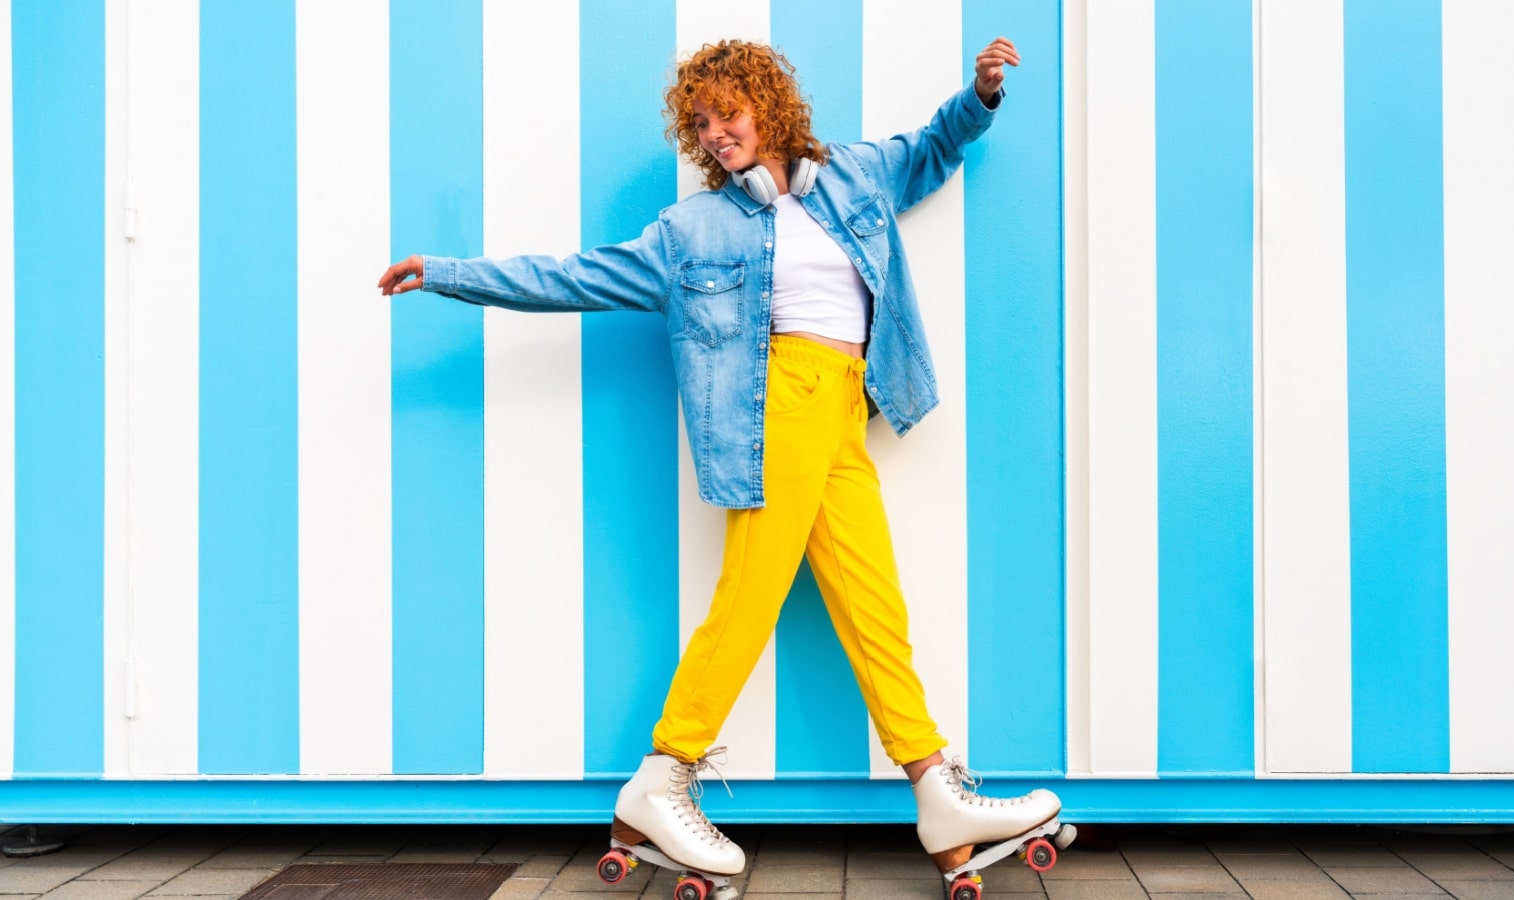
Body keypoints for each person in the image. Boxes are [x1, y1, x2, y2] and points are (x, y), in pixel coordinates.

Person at [379, 35, 1065, 893]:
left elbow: (931, 151)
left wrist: (981, 94)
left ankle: (934, 787)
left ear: (770, 109)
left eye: (728, 114)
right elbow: (574, 277)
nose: (714, 134)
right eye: (700, 124)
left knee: (873, 605)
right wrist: (446, 273)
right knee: (751, 593)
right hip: (775, 406)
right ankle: (666, 772)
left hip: (844, 405)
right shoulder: (692, 230)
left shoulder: (851, 174)